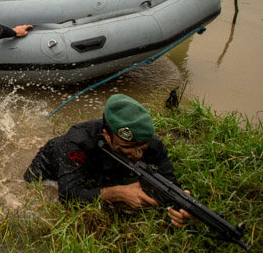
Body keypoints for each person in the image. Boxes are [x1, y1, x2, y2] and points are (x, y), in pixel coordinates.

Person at [23, 94, 193, 227]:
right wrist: (119, 193)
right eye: (127, 147)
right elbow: (68, 196)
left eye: (142, 146)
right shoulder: (76, 143)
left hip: (100, 170)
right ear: (107, 135)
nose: (138, 154)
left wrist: (180, 207)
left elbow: (168, 181)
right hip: (47, 170)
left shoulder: (152, 145)